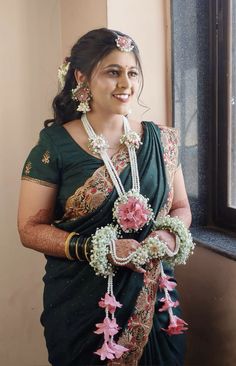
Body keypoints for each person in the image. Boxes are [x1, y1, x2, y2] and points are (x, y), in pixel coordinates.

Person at [17, 28, 193, 366]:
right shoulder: (54, 146)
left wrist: (168, 234)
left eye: (132, 72)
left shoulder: (162, 142)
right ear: (82, 77)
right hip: (82, 309)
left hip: (155, 304)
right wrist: (98, 248)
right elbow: (29, 228)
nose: (126, 84)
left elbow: (181, 208)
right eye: (113, 72)